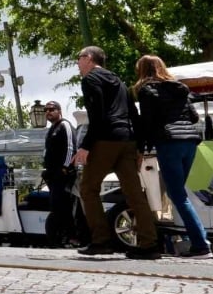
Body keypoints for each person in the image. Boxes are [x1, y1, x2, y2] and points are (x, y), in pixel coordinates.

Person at [73, 45, 159, 259]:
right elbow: (134, 115)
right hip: (127, 140)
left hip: (106, 140)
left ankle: (101, 240)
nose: (78, 63)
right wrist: (140, 146)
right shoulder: (119, 81)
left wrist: (85, 146)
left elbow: (98, 115)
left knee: (88, 188)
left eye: (80, 58)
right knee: (134, 193)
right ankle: (149, 244)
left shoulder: (90, 80)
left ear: (90, 58)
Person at [134, 54, 212, 259]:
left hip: (169, 142)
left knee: (177, 195)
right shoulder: (180, 88)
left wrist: (141, 148)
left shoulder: (146, 90)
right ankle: (199, 240)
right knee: (179, 194)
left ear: (142, 70)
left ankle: (201, 244)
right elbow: (194, 116)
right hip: (190, 142)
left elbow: (147, 122)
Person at [42, 99, 79, 247]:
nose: (48, 112)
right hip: (52, 174)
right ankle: (63, 236)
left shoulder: (64, 125)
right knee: (57, 206)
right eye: (46, 110)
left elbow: (70, 147)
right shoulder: (51, 130)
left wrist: (65, 168)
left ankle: (72, 236)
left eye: (51, 109)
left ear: (59, 111)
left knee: (63, 205)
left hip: (62, 174)